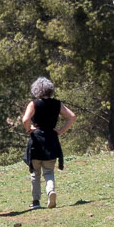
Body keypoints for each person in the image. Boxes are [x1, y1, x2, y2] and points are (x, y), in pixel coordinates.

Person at [18, 77, 75, 209]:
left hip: (36, 140)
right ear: (50, 90)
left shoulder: (33, 104)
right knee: (49, 171)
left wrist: (29, 129)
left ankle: (36, 202)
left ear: (36, 90)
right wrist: (60, 131)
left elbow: (25, 119)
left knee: (35, 173)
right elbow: (72, 117)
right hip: (51, 139)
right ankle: (51, 191)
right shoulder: (57, 104)